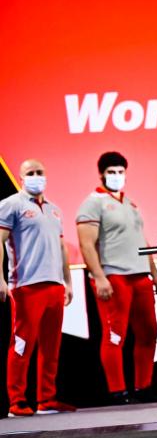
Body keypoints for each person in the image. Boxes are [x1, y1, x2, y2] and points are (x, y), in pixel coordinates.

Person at [76, 152, 157, 404]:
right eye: (112, 172)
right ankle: (117, 391)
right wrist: (99, 277)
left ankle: (143, 387)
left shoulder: (130, 203)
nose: (117, 176)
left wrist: (155, 274)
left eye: (120, 171)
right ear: (102, 174)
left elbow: (141, 240)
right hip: (114, 276)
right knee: (115, 335)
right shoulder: (93, 203)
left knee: (149, 332)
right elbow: (86, 244)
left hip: (140, 277)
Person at [0, 159, 75, 416]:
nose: (35, 176)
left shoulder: (55, 210)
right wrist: (0, 279)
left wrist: (68, 280)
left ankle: (46, 399)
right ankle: (16, 401)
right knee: (22, 344)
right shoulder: (10, 205)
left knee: (51, 346)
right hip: (26, 286)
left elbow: (61, 246)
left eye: (39, 172)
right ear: (21, 177)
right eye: (30, 173)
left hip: (54, 285)